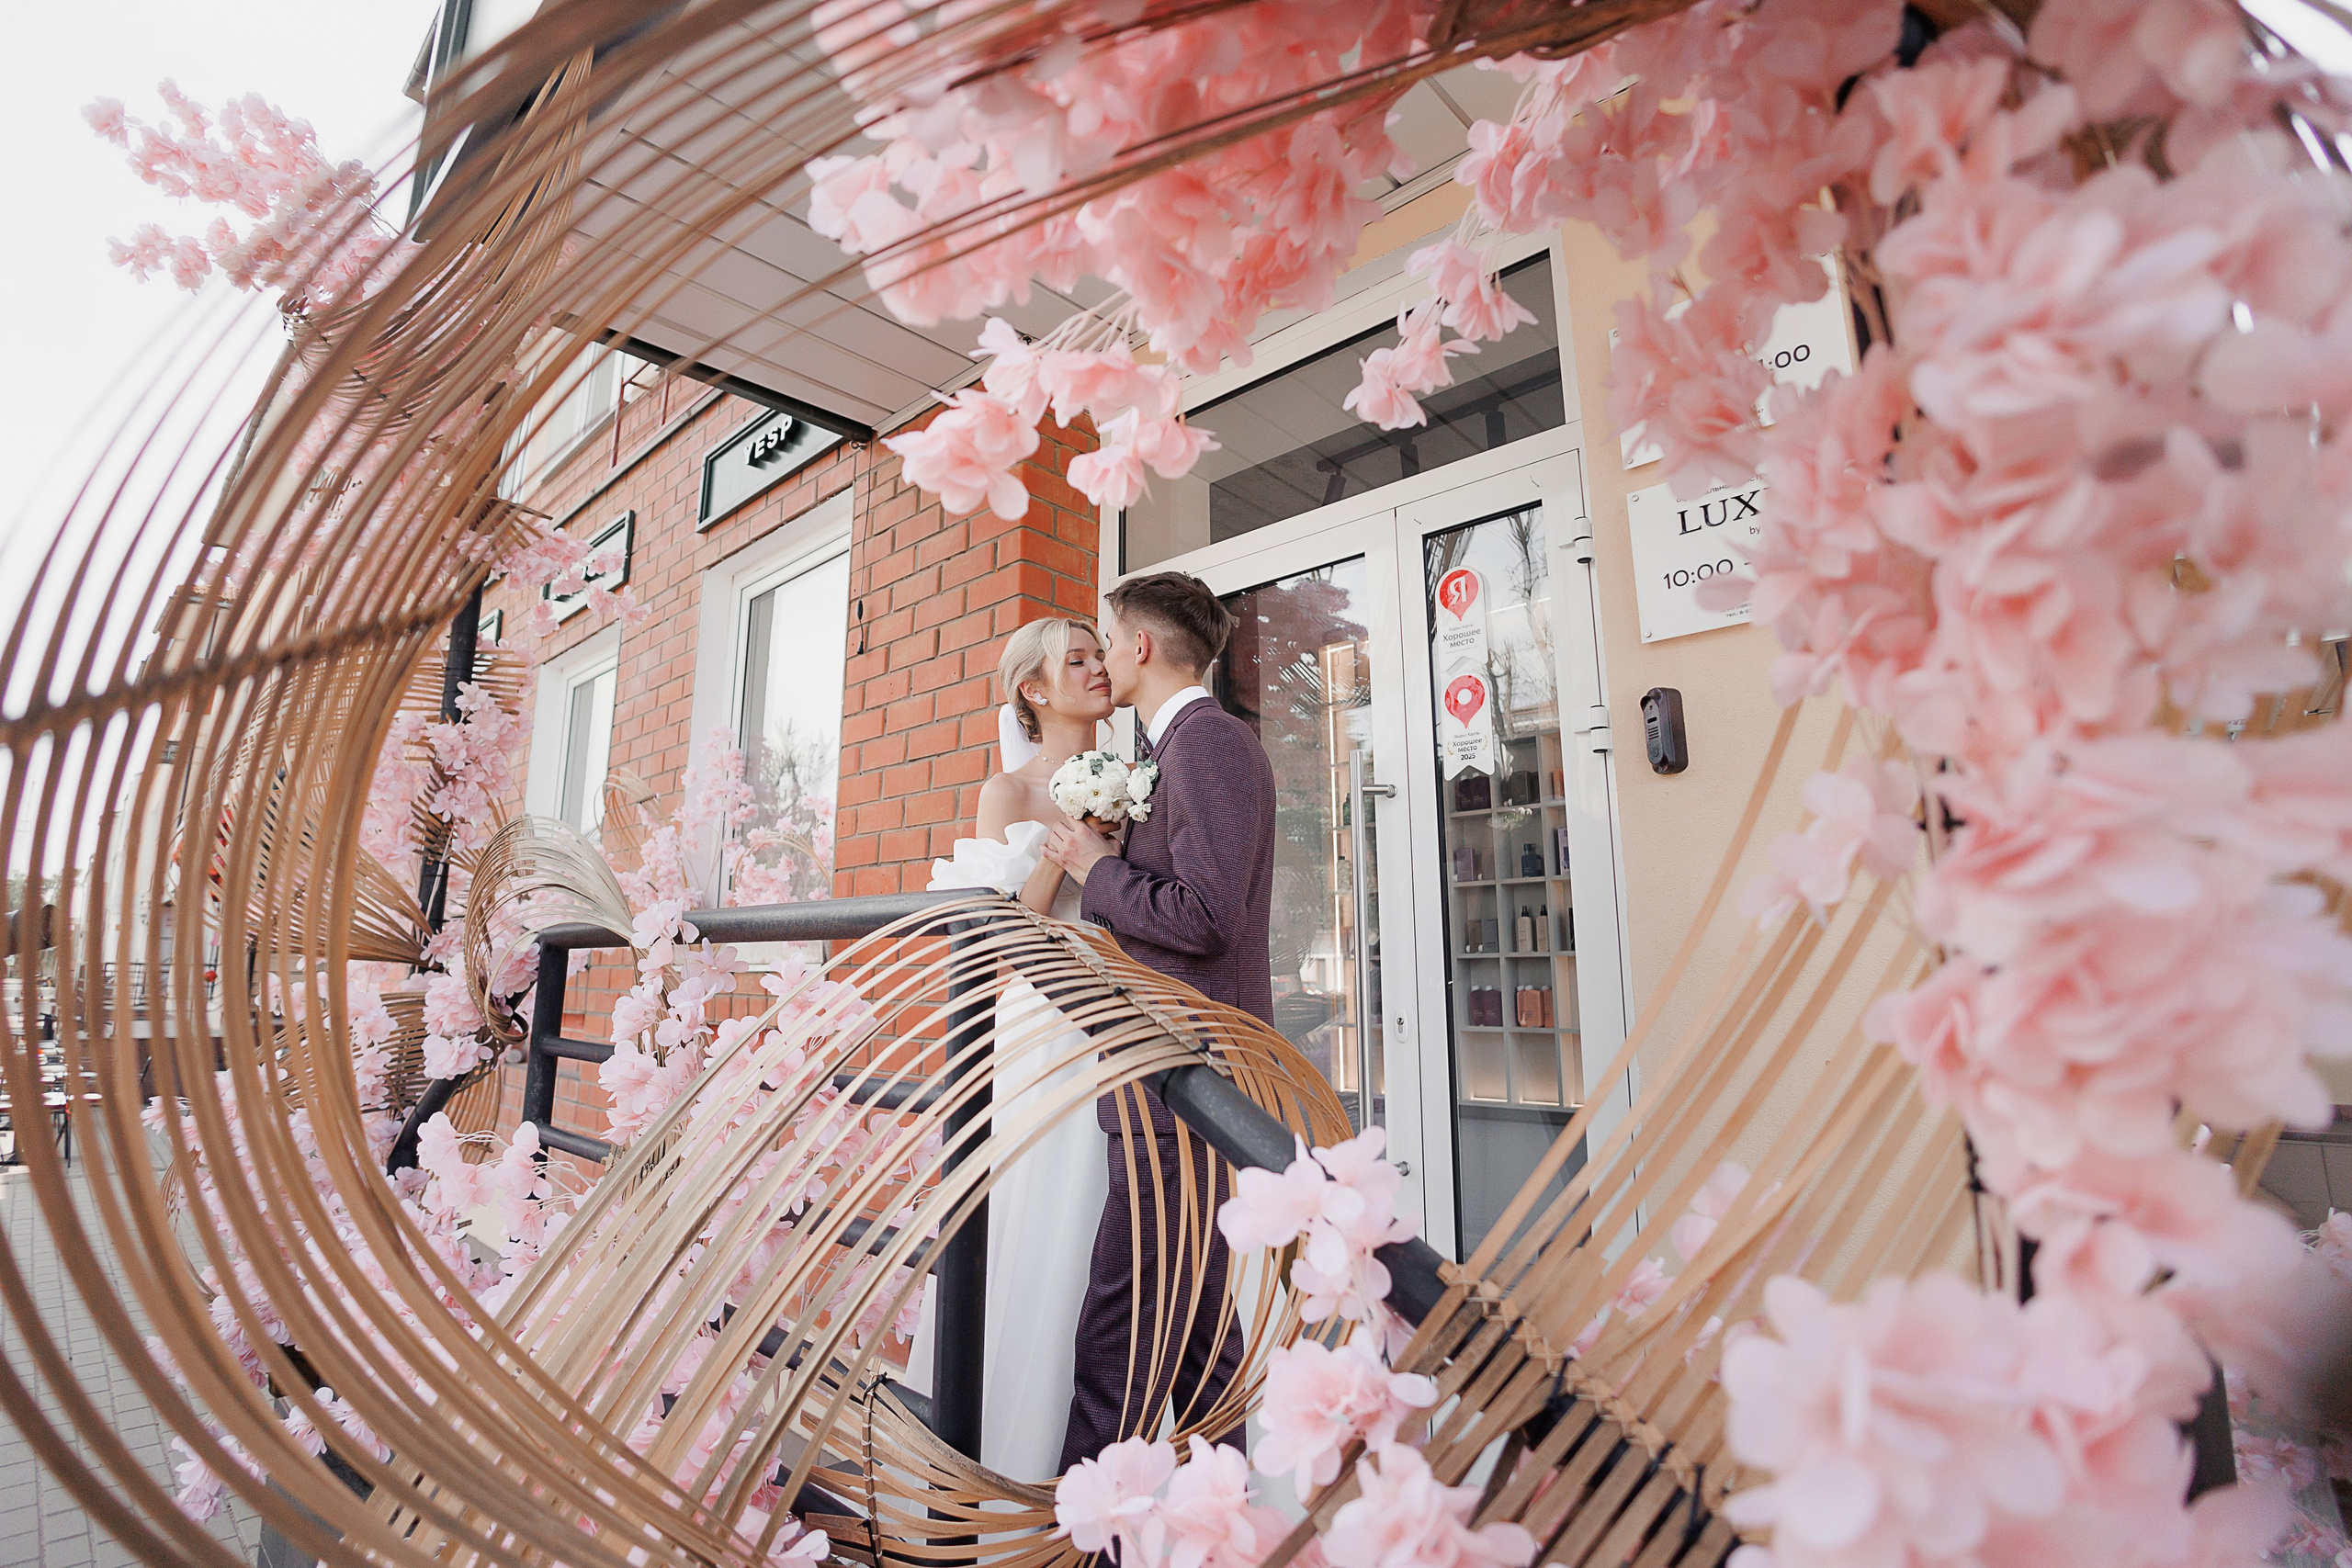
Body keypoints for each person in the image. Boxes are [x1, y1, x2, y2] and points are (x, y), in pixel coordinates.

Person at [1041, 570, 1277, 1472]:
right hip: (1171, 1072)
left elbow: (1204, 915)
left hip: (1179, 1069)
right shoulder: (1184, 748)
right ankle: (1222, 1519)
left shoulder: (1204, 745)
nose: (1101, 656)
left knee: (1121, 1321)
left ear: (1140, 647)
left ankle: (1083, 1535)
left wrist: (1095, 867)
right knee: (1193, 1318)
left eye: (1105, 638)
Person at [911, 616, 1115, 1482]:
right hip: (1045, 1022)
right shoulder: (1009, 793)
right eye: (1077, 660)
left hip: (1125, 1008)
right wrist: (1071, 846)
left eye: (1099, 653)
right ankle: (1006, 1457)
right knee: (1043, 1209)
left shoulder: (1142, 772)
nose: (1099, 667)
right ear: (1034, 689)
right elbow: (1004, 937)